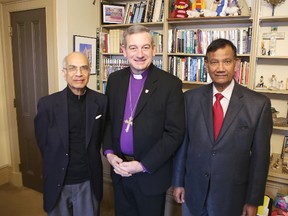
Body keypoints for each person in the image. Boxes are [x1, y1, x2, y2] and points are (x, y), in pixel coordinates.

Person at [172, 38, 273, 216]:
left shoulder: (258, 104)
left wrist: (253, 200)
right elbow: (183, 146)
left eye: (226, 61)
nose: (220, 68)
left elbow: (260, 159)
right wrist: (178, 182)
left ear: (236, 63)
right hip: (193, 192)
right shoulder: (190, 99)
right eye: (214, 62)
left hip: (232, 198)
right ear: (206, 65)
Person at [103, 24, 185, 216]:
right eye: (133, 47)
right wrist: (109, 154)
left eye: (145, 47)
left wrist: (142, 165)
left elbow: (175, 134)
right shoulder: (114, 80)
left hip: (150, 174)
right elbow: (108, 121)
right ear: (124, 51)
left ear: (154, 49)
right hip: (120, 171)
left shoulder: (170, 84)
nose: (139, 54)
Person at [34, 52, 107, 216]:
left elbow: (101, 136)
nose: (79, 74)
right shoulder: (47, 105)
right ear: (64, 72)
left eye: (84, 68)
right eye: (72, 68)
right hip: (58, 179)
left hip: (88, 179)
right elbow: (43, 143)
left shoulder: (101, 102)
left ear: (89, 71)